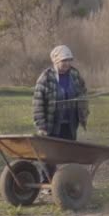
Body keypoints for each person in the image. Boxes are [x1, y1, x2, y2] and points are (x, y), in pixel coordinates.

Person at [33, 45, 89, 181]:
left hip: (70, 122)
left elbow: (83, 92)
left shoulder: (75, 75)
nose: (67, 64)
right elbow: (38, 103)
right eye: (64, 61)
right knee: (50, 155)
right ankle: (47, 181)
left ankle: (67, 180)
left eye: (69, 60)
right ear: (55, 61)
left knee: (69, 153)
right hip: (52, 123)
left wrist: (83, 109)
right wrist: (41, 125)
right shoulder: (45, 78)